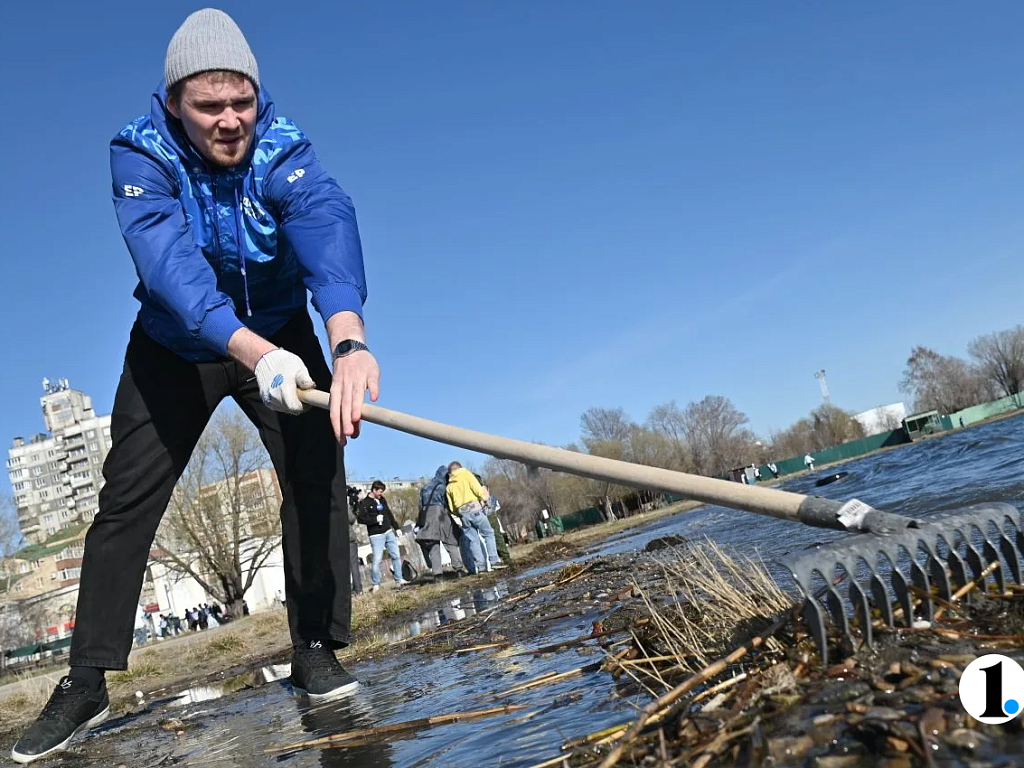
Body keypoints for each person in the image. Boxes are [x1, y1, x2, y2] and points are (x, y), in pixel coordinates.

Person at [12, 9, 380, 763]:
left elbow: (324, 220)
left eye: (241, 101)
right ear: (176, 102)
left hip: (280, 330)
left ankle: (314, 647)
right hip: (175, 346)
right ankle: (85, 682)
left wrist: (347, 338)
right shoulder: (138, 152)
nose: (230, 120)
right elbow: (170, 266)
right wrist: (250, 351)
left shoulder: (283, 146)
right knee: (124, 506)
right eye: (209, 106)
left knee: (317, 474)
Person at [446, 462, 500, 574]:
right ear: (460, 468)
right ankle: (494, 561)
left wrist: (460, 514)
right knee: (488, 534)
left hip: (463, 514)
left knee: (473, 541)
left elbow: (451, 507)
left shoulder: (449, 486)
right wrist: (485, 500)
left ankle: (481, 568)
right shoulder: (466, 474)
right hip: (475, 509)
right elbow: (477, 489)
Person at [415, 466, 465, 579]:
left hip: (427, 516)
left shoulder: (425, 487)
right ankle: (459, 570)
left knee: (433, 545)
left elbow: (420, 505)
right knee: (450, 542)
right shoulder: (443, 487)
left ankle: (437, 575)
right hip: (441, 514)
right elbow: (448, 503)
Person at [357, 481, 407, 591]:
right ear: (374, 490)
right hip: (376, 535)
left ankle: (399, 579)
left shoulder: (382, 499)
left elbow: (388, 513)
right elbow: (360, 519)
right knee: (377, 559)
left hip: (388, 532)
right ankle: (376, 584)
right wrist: (374, 520)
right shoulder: (364, 503)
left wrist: (396, 527)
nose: (381, 494)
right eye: (379, 492)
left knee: (396, 555)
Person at [478, 478, 512, 566]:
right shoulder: (478, 484)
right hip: (486, 512)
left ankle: (498, 559)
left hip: (482, 512)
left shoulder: (473, 483)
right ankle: (503, 558)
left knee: (490, 536)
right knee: (495, 535)